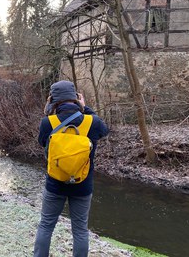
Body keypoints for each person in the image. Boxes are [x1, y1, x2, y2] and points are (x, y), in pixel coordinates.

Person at [33, 80, 109, 257]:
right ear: (76, 99)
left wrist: (48, 110)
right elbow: (104, 131)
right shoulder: (92, 122)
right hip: (82, 186)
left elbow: (42, 143)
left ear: (53, 100)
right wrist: (86, 108)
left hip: (55, 184)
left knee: (46, 225)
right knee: (80, 230)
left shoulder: (47, 123)